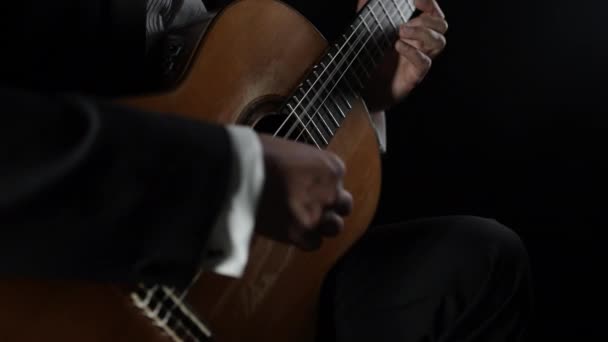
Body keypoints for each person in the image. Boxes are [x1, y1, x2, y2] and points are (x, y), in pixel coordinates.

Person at [0, 0, 533, 341]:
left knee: (478, 257)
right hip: (68, 285)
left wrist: (361, 90)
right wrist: (236, 180)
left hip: (226, 295)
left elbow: (218, 87)